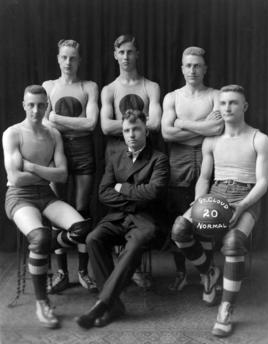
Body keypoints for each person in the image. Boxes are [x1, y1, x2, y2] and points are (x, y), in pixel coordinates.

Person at [171, 85, 268, 337]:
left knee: (234, 243)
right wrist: (198, 201)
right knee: (179, 229)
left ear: (244, 106)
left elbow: (263, 183)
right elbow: (204, 177)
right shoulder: (211, 140)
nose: (227, 108)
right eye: (223, 104)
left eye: (233, 103)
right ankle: (209, 271)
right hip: (216, 194)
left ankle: (226, 308)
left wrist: (242, 205)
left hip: (245, 197)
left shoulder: (259, 139)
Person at [2, 85, 94, 328]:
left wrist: (31, 167)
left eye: (41, 105)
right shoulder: (12, 133)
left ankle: (40, 247)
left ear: (47, 106)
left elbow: (62, 175)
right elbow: (16, 178)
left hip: (45, 194)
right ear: (24, 105)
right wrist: (47, 173)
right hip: (19, 197)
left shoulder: (53, 134)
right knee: (41, 237)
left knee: (83, 229)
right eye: (31, 105)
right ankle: (42, 302)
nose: (36, 110)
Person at [76, 109, 169, 329]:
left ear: (146, 130)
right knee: (93, 238)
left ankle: (103, 303)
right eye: (126, 130)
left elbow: (153, 193)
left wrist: (122, 187)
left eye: (136, 129)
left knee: (136, 242)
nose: (131, 134)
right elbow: (103, 193)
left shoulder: (159, 159)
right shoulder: (115, 158)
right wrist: (135, 195)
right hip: (118, 217)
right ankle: (114, 304)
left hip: (146, 219)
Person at [101, 34, 162, 288]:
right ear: (115, 55)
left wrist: (126, 126)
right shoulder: (110, 89)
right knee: (117, 209)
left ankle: (133, 267)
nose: (126, 57)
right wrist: (137, 123)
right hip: (117, 152)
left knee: (140, 206)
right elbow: (105, 126)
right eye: (121, 52)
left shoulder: (151, 87)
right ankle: (120, 267)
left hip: (143, 152)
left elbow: (156, 124)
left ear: (137, 54)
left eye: (130, 52)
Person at [161, 46, 224, 291]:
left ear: (205, 68)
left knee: (204, 216)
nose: (192, 70)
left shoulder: (215, 95)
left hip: (209, 157)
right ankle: (182, 273)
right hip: (178, 159)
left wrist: (182, 123)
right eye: (188, 65)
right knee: (179, 216)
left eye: (197, 65)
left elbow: (217, 129)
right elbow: (167, 133)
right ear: (182, 68)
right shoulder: (172, 97)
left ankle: (208, 272)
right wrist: (202, 125)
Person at [42, 39, 99, 293]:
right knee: (57, 211)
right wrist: (58, 122)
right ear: (58, 58)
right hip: (56, 150)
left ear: (79, 60)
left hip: (84, 150)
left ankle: (84, 271)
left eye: (73, 58)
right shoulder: (48, 86)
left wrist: (55, 117)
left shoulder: (89, 86)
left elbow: (90, 124)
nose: (68, 62)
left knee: (82, 210)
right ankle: (62, 272)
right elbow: (45, 125)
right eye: (64, 57)